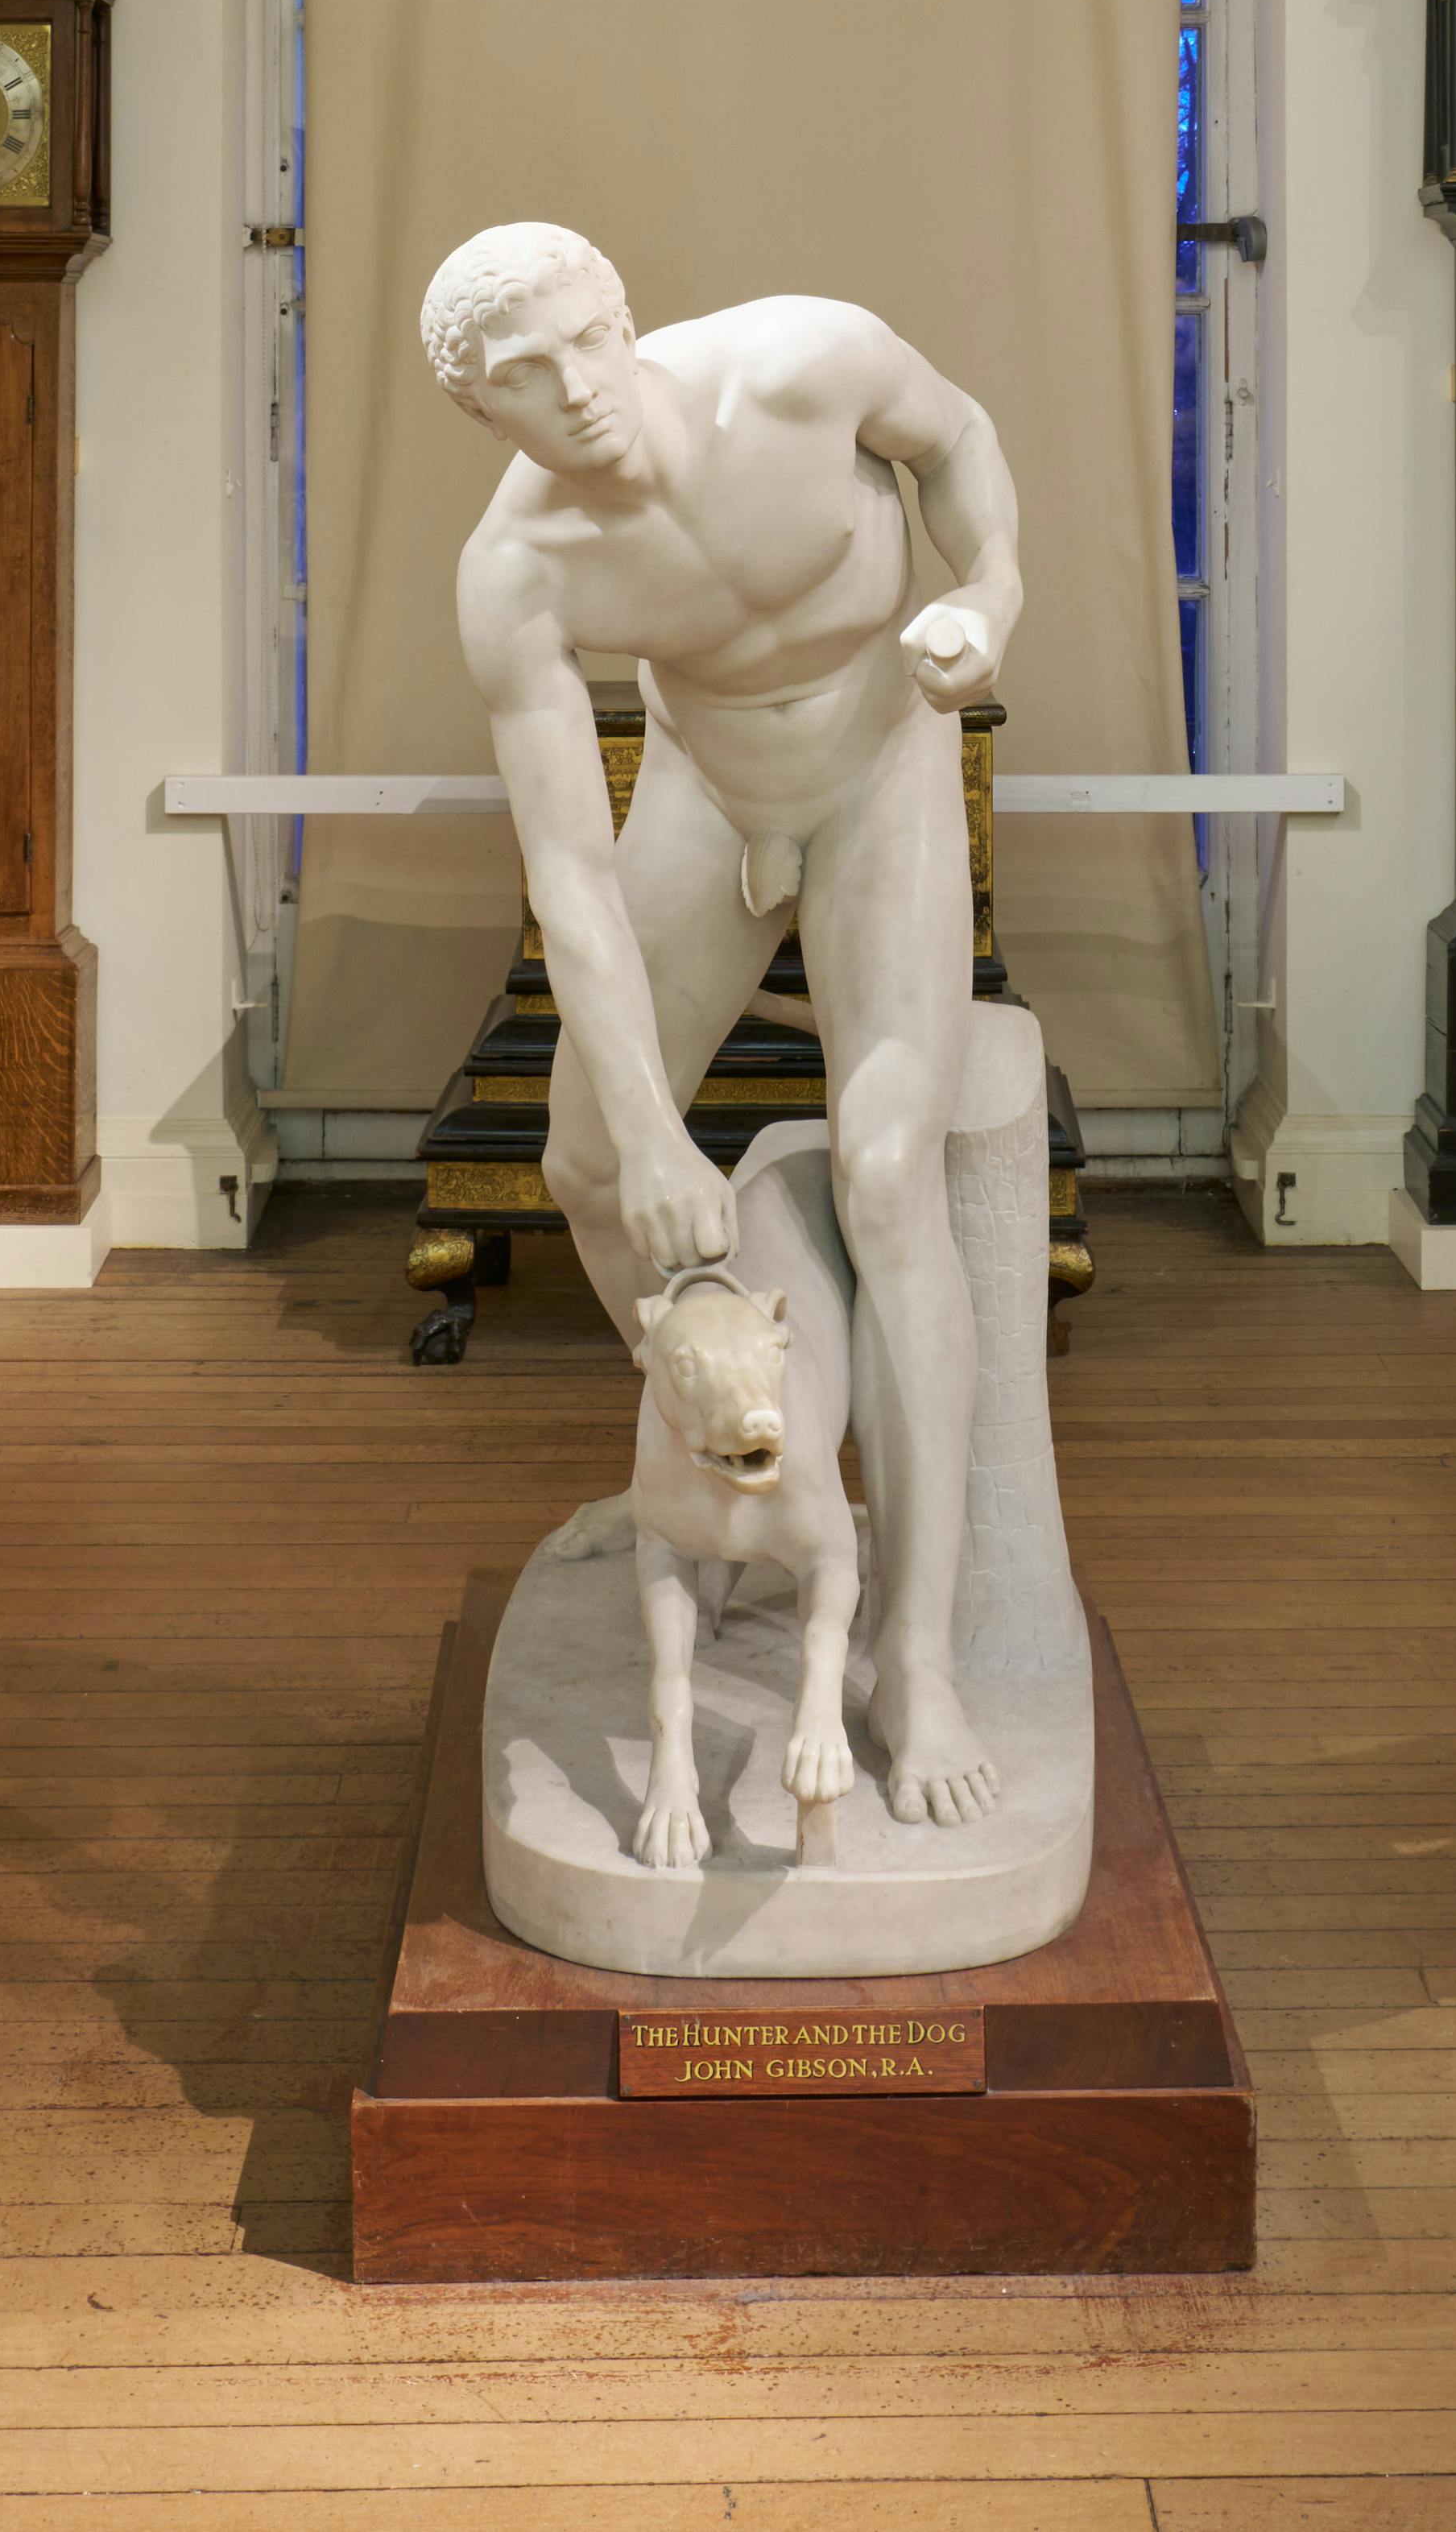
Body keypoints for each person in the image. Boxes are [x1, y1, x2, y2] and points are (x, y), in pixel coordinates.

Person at [429, 220, 1019, 1823]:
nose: (576, 393)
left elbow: (958, 438)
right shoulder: (520, 570)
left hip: (879, 768)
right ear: (484, 413)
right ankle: (729, 1453)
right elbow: (570, 877)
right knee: (578, 1170)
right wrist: (645, 1135)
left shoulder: (800, 362)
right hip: (703, 788)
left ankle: (917, 1649)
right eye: (523, 383)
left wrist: (996, 593)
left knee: (891, 1179)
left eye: (581, 342)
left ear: (622, 314)